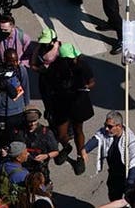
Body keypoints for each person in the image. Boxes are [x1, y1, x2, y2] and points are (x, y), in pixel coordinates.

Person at [44, 43, 94, 176]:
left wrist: (85, 86)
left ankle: (79, 156)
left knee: (78, 130)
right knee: (61, 134)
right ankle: (67, 147)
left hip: (78, 103)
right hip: (62, 104)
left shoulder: (81, 65)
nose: (72, 60)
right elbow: (49, 85)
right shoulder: (55, 67)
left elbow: (92, 81)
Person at [84, 111, 135, 202]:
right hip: (115, 173)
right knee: (114, 196)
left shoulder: (130, 139)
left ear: (119, 126)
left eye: (110, 126)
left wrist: (130, 183)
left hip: (130, 174)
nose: (106, 128)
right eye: (105, 125)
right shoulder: (106, 132)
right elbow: (97, 139)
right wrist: (85, 150)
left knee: (133, 200)